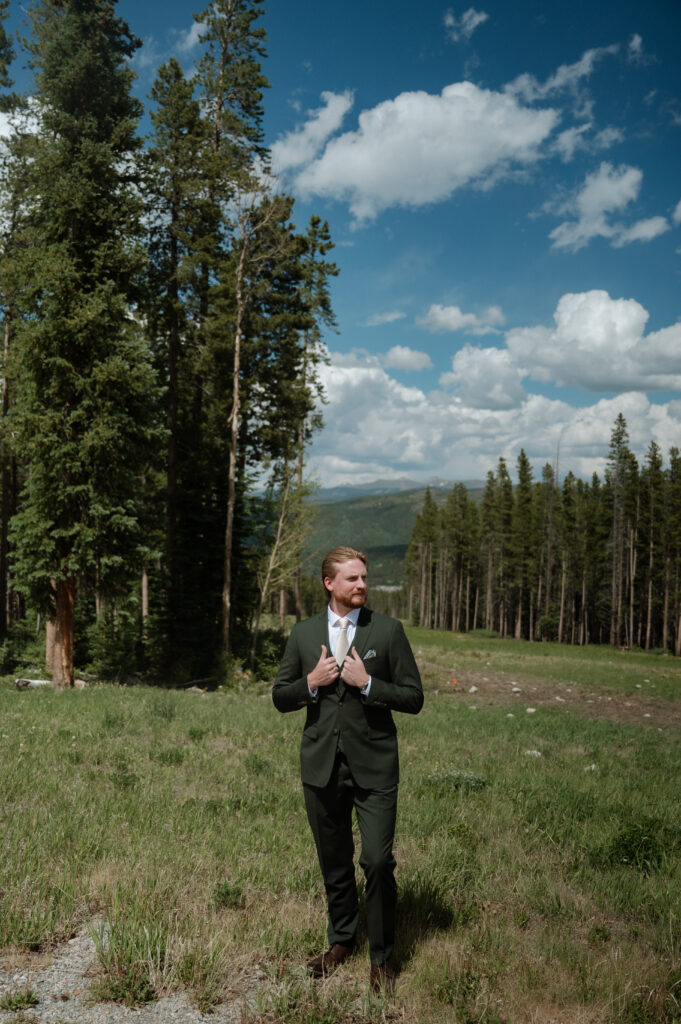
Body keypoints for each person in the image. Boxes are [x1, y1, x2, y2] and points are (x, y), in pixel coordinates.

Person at [272, 546, 423, 993]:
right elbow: (281, 696)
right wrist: (310, 684)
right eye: (352, 578)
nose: (362, 585)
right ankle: (341, 941)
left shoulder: (389, 631)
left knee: (377, 861)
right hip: (320, 765)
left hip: (375, 765)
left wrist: (370, 684)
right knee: (333, 860)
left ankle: (381, 959)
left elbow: (414, 698)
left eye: (364, 578)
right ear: (329, 584)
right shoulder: (302, 634)